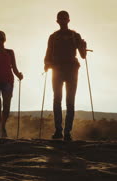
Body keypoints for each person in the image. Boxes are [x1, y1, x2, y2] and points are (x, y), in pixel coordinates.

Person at [44, 10, 87, 141]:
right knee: (58, 100)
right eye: (60, 19)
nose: (62, 21)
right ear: (58, 21)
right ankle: (59, 131)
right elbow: (47, 54)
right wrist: (47, 64)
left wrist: (84, 46)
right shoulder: (53, 37)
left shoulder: (75, 35)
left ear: (68, 20)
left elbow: (83, 55)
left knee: (69, 101)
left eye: (64, 18)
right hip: (58, 70)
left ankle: (66, 132)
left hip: (70, 70)